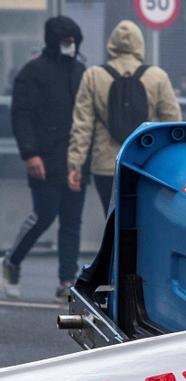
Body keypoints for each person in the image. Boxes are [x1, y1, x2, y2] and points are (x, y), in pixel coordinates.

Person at [3, 15, 87, 300]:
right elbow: (21, 115)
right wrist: (30, 153)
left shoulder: (81, 72)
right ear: (54, 42)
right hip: (44, 158)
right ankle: (11, 262)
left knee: (72, 222)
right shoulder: (33, 71)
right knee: (44, 215)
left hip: (75, 160)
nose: (71, 46)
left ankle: (66, 281)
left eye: (74, 41)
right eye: (66, 41)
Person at [66, 20, 181, 214]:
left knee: (113, 221)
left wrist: (75, 164)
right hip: (145, 165)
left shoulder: (93, 76)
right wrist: (174, 166)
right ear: (140, 43)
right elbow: (174, 123)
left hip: (107, 166)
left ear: (111, 44)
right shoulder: (157, 76)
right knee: (142, 221)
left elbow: (82, 126)